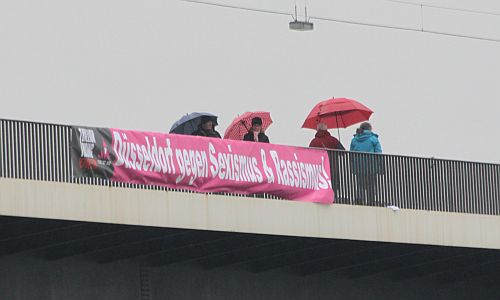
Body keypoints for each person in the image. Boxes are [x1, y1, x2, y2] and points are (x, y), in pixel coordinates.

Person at [349, 122, 383, 205]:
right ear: (370, 129)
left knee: (360, 185)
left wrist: (353, 167)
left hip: (359, 168)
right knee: (371, 185)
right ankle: (371, 202)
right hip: (372, 167)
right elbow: (378, 153)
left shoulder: (354, 140)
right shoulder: (373, 139)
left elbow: (351, 155)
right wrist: (380, 167)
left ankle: (359, 200)